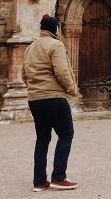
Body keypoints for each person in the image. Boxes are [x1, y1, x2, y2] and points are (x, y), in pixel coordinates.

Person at [23, 14, 81, 192]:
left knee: (42, 139)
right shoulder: (55, 45)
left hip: (35, 99)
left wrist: (35, 88)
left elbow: (24, 75)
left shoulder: (30, 47)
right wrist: (72, 89)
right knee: (66, 135)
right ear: (55, 29)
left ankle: (39, 181)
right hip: (54, 97)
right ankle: (59, 177)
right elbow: (62, 72)